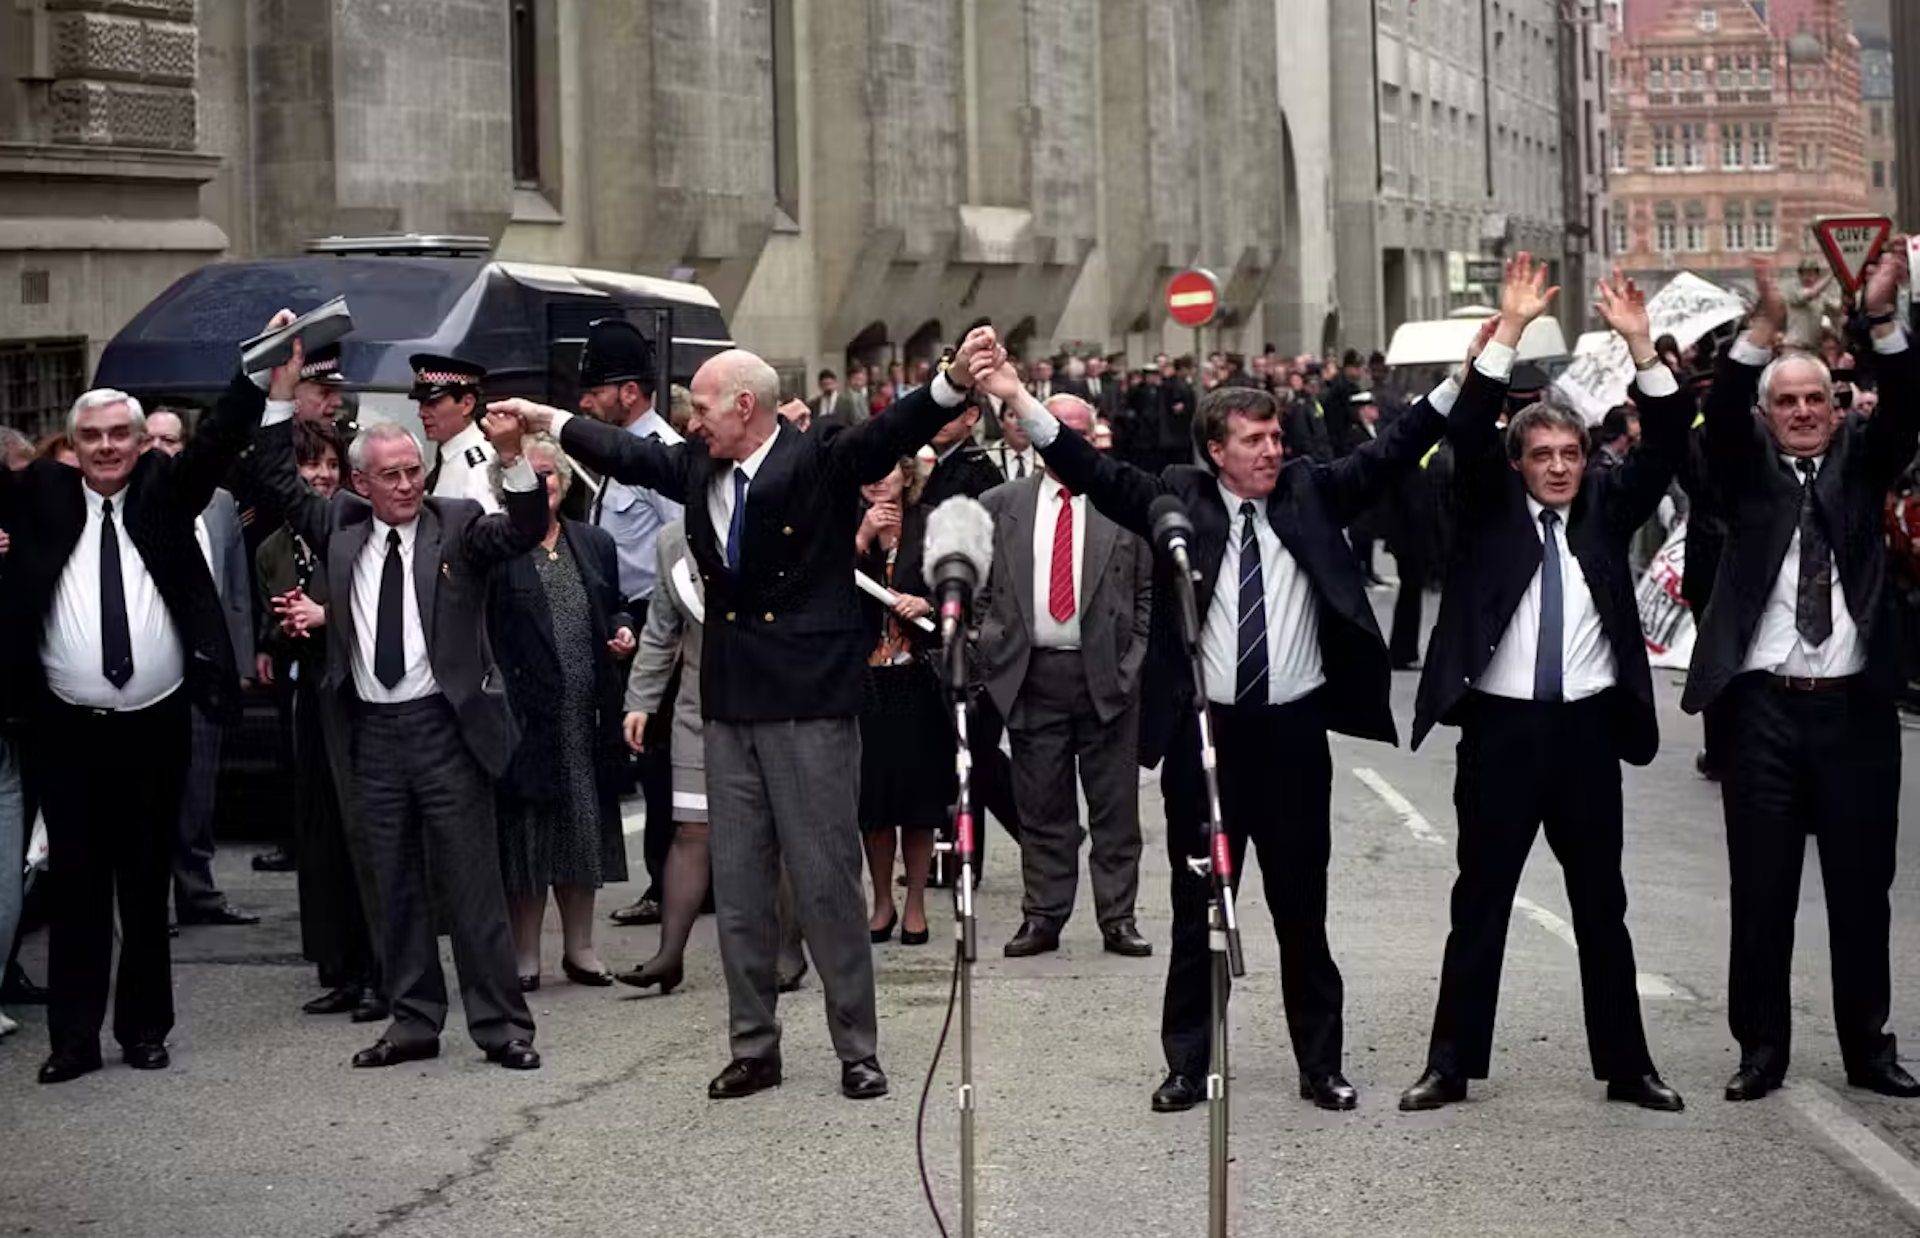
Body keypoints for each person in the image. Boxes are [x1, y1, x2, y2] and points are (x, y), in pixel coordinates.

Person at [974, 301, 1515, 1116]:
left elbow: (1396, 449)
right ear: (1217, 452)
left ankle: (1320, 1065)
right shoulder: (1176, 502)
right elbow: (1092, 471)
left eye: (1275, 437)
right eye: (1254, 440)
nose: (1271, 450)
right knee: (1197, 909)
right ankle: (1187, 1064)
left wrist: (1466, 375)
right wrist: (1017, 397)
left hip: (1292, 735)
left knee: (1303, 912)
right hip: (1208, 735)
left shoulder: (1312, 492)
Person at [491, 327, 1003, 1102]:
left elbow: (890, 431)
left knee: (825, 883)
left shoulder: (819, 460)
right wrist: (545, 418)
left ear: (743, 407)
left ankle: (856, 1048)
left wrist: (954, 381)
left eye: (701, 407)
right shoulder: (699, 464)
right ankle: (754, 1046)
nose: (691, 422)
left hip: (808, 706)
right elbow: (629, 453)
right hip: (730, 704)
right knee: (738, 885)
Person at [1399, 262, 1691, 1113]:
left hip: (1588, 735)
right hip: (1502, 735)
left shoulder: (1607, 507)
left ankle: (1628, 1067)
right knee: (1481, 902)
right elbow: (1466, 433)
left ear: (1587, 460)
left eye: (1570, 454)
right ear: (1518, 464)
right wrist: (1510, 332)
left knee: (1602, 905)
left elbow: (1668, 441)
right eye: (1542, 456)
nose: (1558, 468)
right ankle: (1450, 1066)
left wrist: (1642, 348)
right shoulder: (1486, 508)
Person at [0, 311, 284, 1084]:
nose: (106, 448)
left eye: (118, 435)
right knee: (77, 886)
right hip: (67, 727)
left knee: (144, 882)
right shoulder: (42, 496)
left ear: (137, 442)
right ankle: (73, 1040)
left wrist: (257, 367)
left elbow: (219, 439)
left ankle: (145, 1029)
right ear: (71, 445)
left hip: (155, 724)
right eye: (91, 436)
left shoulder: (164, 491)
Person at [250, 355, 547, 1073]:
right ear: (362, 484)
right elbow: (279, 479)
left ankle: (502, 1027)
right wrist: (280, 397)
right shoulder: (339, 527)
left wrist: (516, 463)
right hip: (371, 735)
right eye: (392, 476)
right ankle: (413, 1018)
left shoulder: (458, 523)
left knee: (472, 887)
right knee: (393, 884)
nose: (409, 484)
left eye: (414, 471)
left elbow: (522, 529)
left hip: (445, 728)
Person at [1685, 252, 1920, 1102]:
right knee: (1763, 892)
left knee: (1862, 892)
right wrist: (1762, 329)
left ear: (1838, 405)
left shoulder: (1862, 462)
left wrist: (1881, 320)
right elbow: (1716, 413)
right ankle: (1761, 1050)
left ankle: (1869, 1048)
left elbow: (1908, 407)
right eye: (1785, 402)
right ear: (1766, 414)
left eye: (1816, 399)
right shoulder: (1743, 471)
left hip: (1855, 713)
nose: (1803, 413)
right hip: (1764, 715)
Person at [975, 393, 1153, 958]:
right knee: (1042, 809)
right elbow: (978, 590)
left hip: (1108, 678)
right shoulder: (999, 505)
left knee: (1114, 810)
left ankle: (1118, 918)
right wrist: (994, 650)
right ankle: (1043, 915)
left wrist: (1131, 663)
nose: (1070, 440)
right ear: (1034, 433)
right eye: (1059, 429)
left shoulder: (1125, 503)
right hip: (1031, 678)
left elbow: (1148, 595)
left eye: (1081, 431)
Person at [617, 517, 809, 995]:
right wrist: (640, 701)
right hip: (698, 707)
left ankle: (789, 951)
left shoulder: (776, 520)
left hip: (774, 702)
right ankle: (669, 955)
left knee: (778, 833)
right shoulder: (671, 540)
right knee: (691, 831)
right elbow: (661, 630)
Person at [484, 435, 634, 991]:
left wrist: (623, 630)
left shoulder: (593, 542)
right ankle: (525, 954)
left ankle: (581, 949)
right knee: (527, 838)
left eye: (549, 473)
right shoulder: (498, 544)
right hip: (525, 716)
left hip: (584, 715)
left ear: (565, 481)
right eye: (531, 474)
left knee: (583, 832)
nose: (542, 482)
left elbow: (616, 605)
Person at [255, 420, 386, 1022]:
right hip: (312, 695)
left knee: (369, 834)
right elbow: (271, 631)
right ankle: (340, 969)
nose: (322, 476)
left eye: (331, 464)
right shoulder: (272, 549)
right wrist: (285, 628)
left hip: (364, 693)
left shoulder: (362, 528)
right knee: (321, 837)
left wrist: (325, 615)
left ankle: (383, 971)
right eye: (310, 466)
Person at [573, 318, 686, 932]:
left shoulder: (659, 454)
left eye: (596, 391)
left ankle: (670, 885)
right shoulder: (622, 452)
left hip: (655, 621)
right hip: (628, 621)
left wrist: (662, 635)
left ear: (630, 392)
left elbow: (679, 546)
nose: (586, 403)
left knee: (662, 763)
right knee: (649, 760)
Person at [140, 410, 261, 930]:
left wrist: (240, 659)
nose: (160, 447)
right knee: (152, 789)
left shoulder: (222, 503)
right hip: (151, 666)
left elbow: (236, 588)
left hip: (207, 668)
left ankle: (198, 891)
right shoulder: (132, 504)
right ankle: (151, 901)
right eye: (150, 438)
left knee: (200, 788)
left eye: (170, 439)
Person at [853, 459, 951, 945]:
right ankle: (881, 902)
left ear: (907, 476)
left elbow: (963, 587)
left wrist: (927, 603)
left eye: (887, 469)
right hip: (863, 681)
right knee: (873, 802)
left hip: (918, 678)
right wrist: (861, 538)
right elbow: (816, 587)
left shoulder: (931, 523)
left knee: (917, 802)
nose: (876, 478)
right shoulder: (843, 524)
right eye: (869, 470)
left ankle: (914, 902)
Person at [413, 354, 501, 514]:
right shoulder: (446, 456)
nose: (422, 413)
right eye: (421, 403)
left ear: (467, 404)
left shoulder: (479, 468)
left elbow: (489, 527)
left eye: (432, 403)